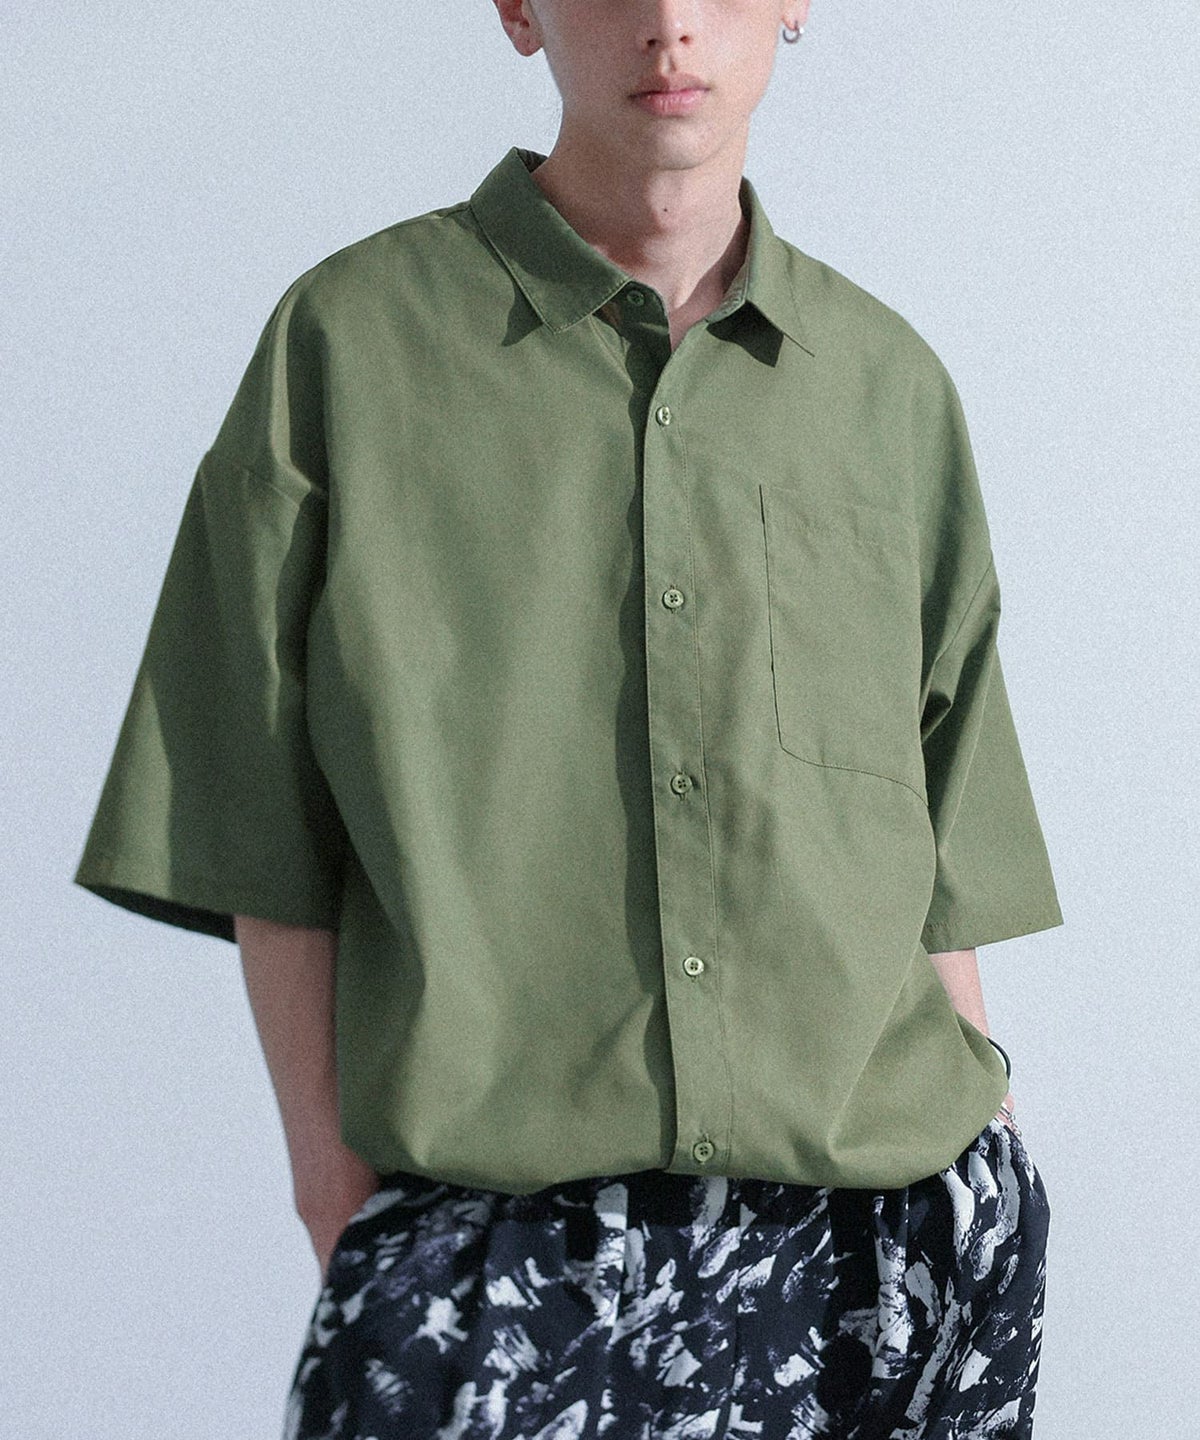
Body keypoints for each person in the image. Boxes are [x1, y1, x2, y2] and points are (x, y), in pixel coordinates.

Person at [74, 2, 1065, 1436]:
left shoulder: (884, 386)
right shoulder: (348, 346)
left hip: (884, 1252)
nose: (669, 25)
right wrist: (334, 1196)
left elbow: (940, 834)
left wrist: (993, 1158)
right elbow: (248, 815)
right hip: (499, 1257)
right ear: (518, 8)